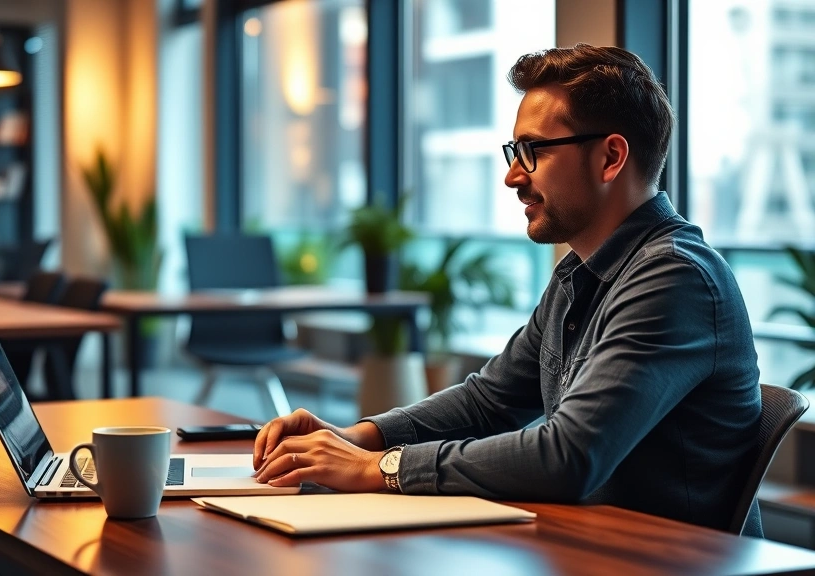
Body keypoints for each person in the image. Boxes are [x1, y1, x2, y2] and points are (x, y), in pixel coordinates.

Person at [252, 44, 763, 536]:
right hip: (587, 548)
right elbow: (488, 403)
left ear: (610, 158)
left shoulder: (676, 279)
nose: (512, 176)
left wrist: (379, 467)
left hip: (667, 561)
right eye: (514, 151)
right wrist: (356, 437)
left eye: (532, 151)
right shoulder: (579, 276)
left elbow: (568, 456)